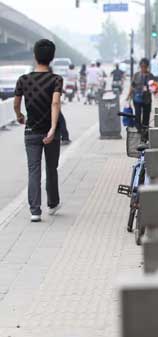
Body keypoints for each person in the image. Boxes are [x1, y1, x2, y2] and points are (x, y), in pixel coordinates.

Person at [13, 39, 63, 222]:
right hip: (51, 132)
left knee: (34, 170)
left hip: (31, 131)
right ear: (52, 58)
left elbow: (17, 103)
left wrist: (19, 115)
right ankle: (53, 203)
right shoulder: (56, 79)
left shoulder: (23, 80)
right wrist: (52, 128)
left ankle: (35, 211)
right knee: (51, 168)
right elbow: (55, 102)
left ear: (35, 56)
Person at [127, 58, 155, 133]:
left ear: (147, 67)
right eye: (142, 66)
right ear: (140, 66)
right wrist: (128, 96)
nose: (143, 68)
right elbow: (132, 86)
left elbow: (153, 88)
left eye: (145, 67)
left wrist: (153, 90)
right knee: (138, 115)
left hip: (147, 99)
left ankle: (145, 131)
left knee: (146, 116)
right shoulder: (136, 75)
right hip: (137, 98)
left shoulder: (151, 76)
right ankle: (139, 130)